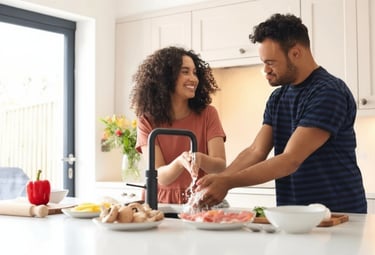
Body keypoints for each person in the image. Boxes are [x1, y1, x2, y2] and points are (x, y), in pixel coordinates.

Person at [196, 13, 367, 213]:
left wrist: (228, 182)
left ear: (296, 53)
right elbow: (256, 151)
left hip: (338, 214)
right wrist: (222, 178)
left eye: (271, 62)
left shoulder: (328, 91)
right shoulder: (278, 97)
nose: (265, 70)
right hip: (294, 214)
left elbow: (290, 159)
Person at [130, 46, 226, 204]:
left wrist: (199, 159)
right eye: (185, 71)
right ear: (166, 77)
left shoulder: (209, 114)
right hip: (159, 202)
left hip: (199, 199)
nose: (193, 78)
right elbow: (160, 177)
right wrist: (180, 162)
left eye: (195, 72)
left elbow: (220, 166)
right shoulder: (146, 121)